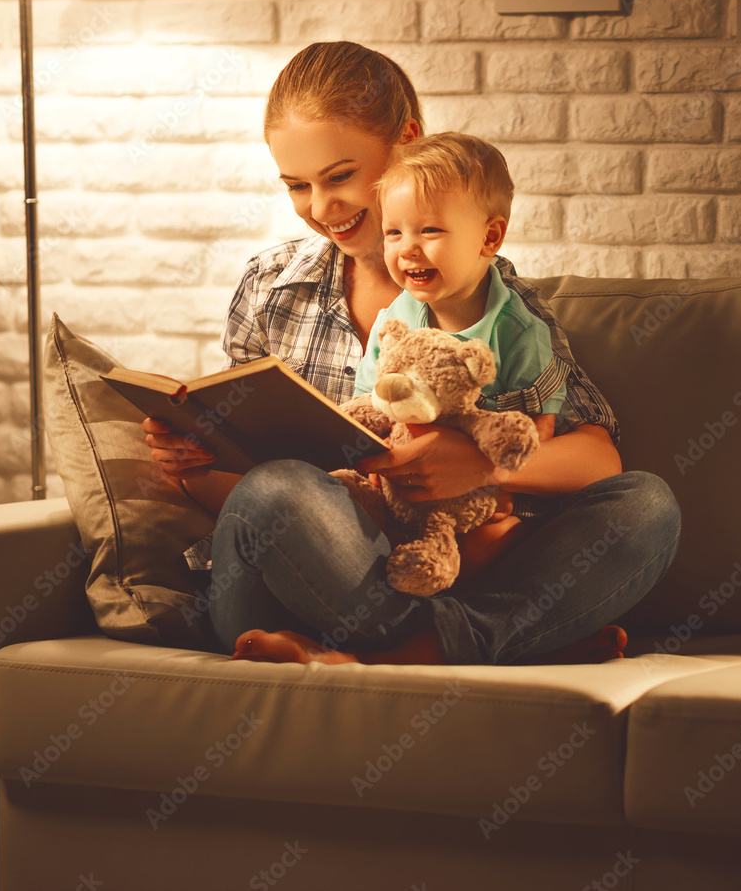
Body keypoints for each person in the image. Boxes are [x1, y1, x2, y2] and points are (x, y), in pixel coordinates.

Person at [143, 41, 681, 667]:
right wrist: (191, 463)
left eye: (341, 177)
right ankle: (489, 640)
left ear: (407, 141)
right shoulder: (270, 289)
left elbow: (598, 458)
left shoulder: (495, 302)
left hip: (441, 564)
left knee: (647, 505)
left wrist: (482, 467)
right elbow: (248, 498)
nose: (322, 209)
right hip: (307, 577)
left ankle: (397, 651)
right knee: (274, 490)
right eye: (297, 186)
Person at [354, 131, 566, 425]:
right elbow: (365, 404)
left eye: (429, 230)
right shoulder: (393, 323)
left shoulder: (520, 334)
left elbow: (537, 430)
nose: (406, 248)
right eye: (393, 232)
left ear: (489, 238)